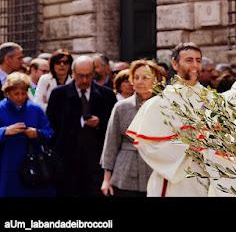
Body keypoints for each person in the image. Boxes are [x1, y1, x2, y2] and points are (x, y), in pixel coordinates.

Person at [126, 42, 209, 196]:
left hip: (207, 179)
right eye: (189, 60)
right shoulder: (160, 102)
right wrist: (189, 148)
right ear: (175, 64)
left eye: (198, 60)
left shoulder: (212, 99)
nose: (195, 65)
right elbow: (148, 146)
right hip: (173, 180)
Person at [46, 55, 117, 196]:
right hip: (67, 163)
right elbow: (51, 127)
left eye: (88, 76)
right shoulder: (58, 95)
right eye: (80, 76)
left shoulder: (106, 95)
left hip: (96, 163)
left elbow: (113, 128)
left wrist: (100, 122)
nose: (84, 80)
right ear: (72, 73)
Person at [100, 60, 165, 197]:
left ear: (156, 80)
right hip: (125, 172)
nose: (140, 81)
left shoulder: (165, 107)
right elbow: (111, 143)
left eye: (145, 77)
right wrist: (106, 179)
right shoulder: (121, 107)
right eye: (136, 77)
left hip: (155, 169)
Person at [0, 72, 54, 197]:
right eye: (16, 94)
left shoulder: (35, 109)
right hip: (7, 165)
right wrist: (5, 131)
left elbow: (49, 132)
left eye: (23, 93)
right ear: (7, 93)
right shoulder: (1, 109)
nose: (20, 97)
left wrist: (37, 133)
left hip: (34, 164)